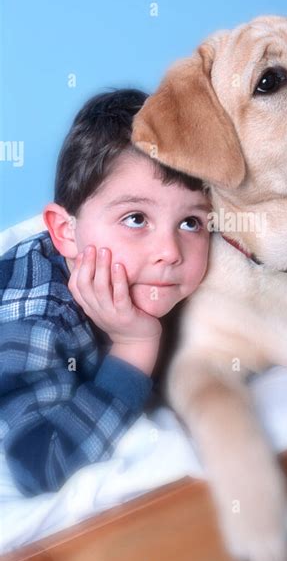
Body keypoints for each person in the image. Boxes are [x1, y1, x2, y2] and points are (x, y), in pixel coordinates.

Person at [0, 89, 211, 496]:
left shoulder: (148, 278)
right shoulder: (41, 322)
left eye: (190, 223)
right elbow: (41, 463)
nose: (169, 252)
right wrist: (135, 346)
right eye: (135, 218)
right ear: (66, 232)